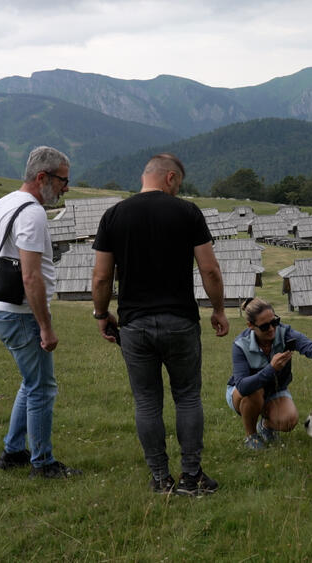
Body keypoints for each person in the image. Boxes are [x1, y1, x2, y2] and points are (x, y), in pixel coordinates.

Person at [91, 153, 229, 496]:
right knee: (186, 397)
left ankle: (160, 478)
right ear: (169, 178)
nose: (177, 189)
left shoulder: (113, 216)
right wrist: (218, 310)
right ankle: (191, 477)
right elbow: (209, 269)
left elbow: (101, 276)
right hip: (180, 321)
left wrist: (101, 314)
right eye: (178, 184)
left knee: (147, 402)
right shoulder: (187, 212)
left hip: (134, 325)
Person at [0, 146, 81, 479]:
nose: (66, 188)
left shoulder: (3, 203)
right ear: (43, 177)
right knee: (42, 388)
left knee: (32, 381)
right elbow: (30, 275)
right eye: (63, 181)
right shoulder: (33, 212)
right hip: (19, 312)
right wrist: (45, 326)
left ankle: (13, 452)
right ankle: (43, 463)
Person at [227, 298, 312, 450]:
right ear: (251, 326)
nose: (272, 329)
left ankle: (265, 427)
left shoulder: (285, 333)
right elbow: (243, 386)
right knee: (254, 391)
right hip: (242, 394)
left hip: (274, 390)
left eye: (275, 321)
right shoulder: (240, 344)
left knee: (288, 421)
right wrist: (271, 369)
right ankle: (251, 436)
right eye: (265, 326)